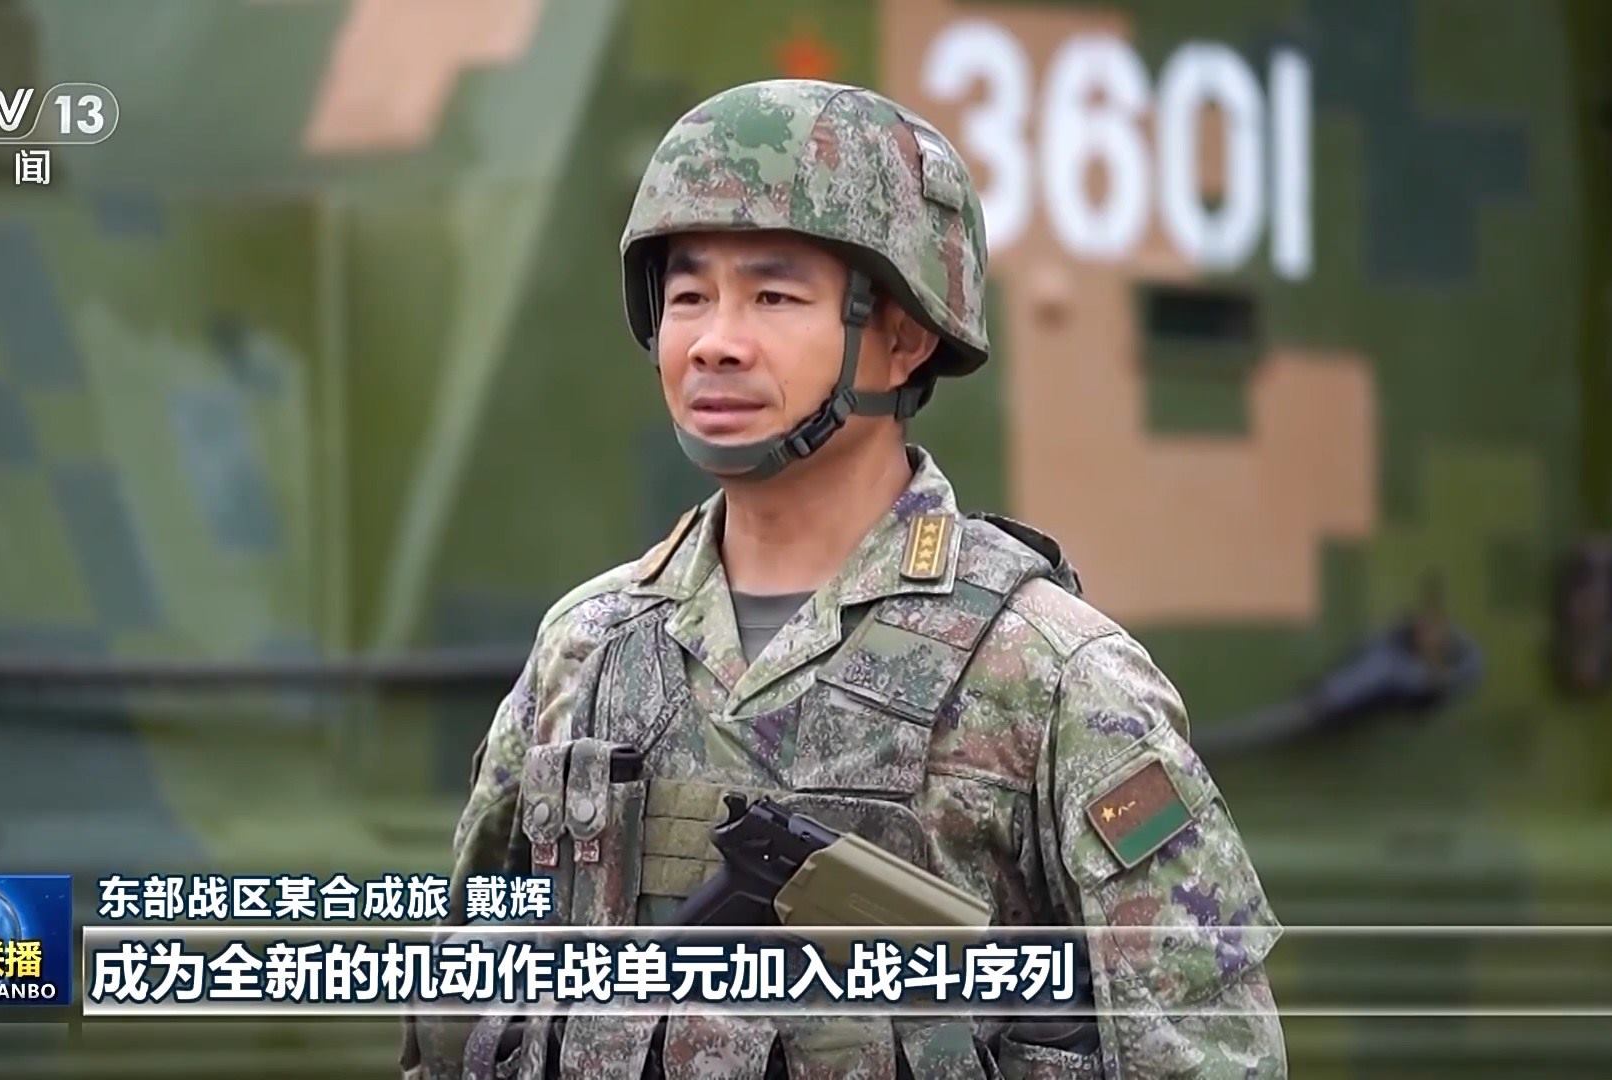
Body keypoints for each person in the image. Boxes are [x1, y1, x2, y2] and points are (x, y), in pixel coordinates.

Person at [404, 78, 1287, 1080]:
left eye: (773, 297)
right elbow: (459, 1012)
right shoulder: (587, 649)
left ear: (902, 335)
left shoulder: (1053, 678)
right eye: (689, 296)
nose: (715, 341)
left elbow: (1210, 1056)